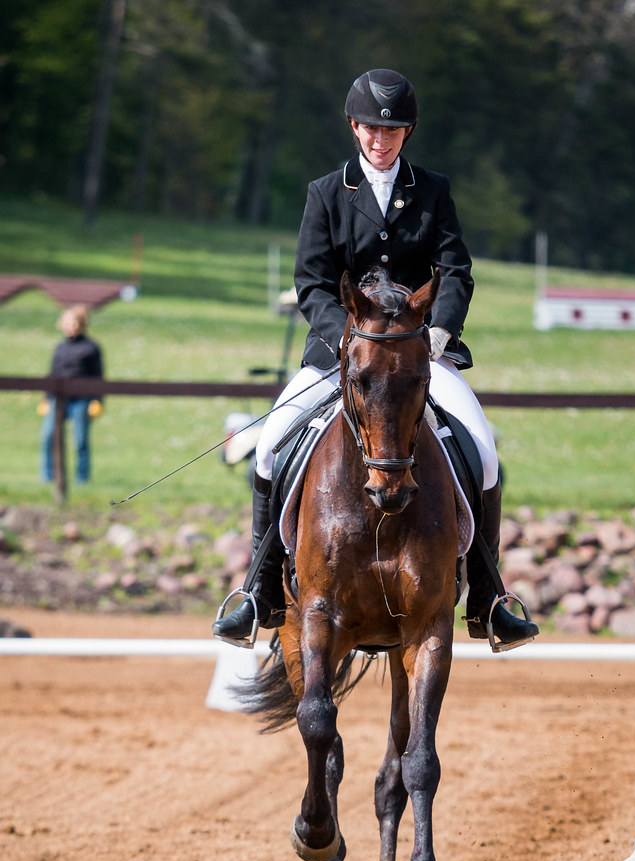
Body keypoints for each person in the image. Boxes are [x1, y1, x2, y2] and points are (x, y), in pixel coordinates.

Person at [213, 68, 538, 649]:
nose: (380, 139)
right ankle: (259, 590)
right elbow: (312, 282)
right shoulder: (326, 192)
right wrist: (346, 340)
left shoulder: (432, 190)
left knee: (484, 453)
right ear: (354, 127)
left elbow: (455, 270)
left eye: (391, 130)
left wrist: (439, 332)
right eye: (370, 128)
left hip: (418, 356)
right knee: (267, 445)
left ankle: (489, 598)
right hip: (340, 354)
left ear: (406, 131)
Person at [39, 305, 104, 484]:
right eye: (67, 323)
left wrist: (97, 400)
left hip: (81, 399)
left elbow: (98, 376)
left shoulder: (91, 347)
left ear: (82, 324)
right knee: (48, 436)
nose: (70, 326)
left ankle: (82, 478)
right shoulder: (60, 347)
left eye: (74, 323)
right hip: (57, 399)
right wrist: (46, 398)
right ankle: (47, 476)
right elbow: (52, 373)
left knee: (80, 440)